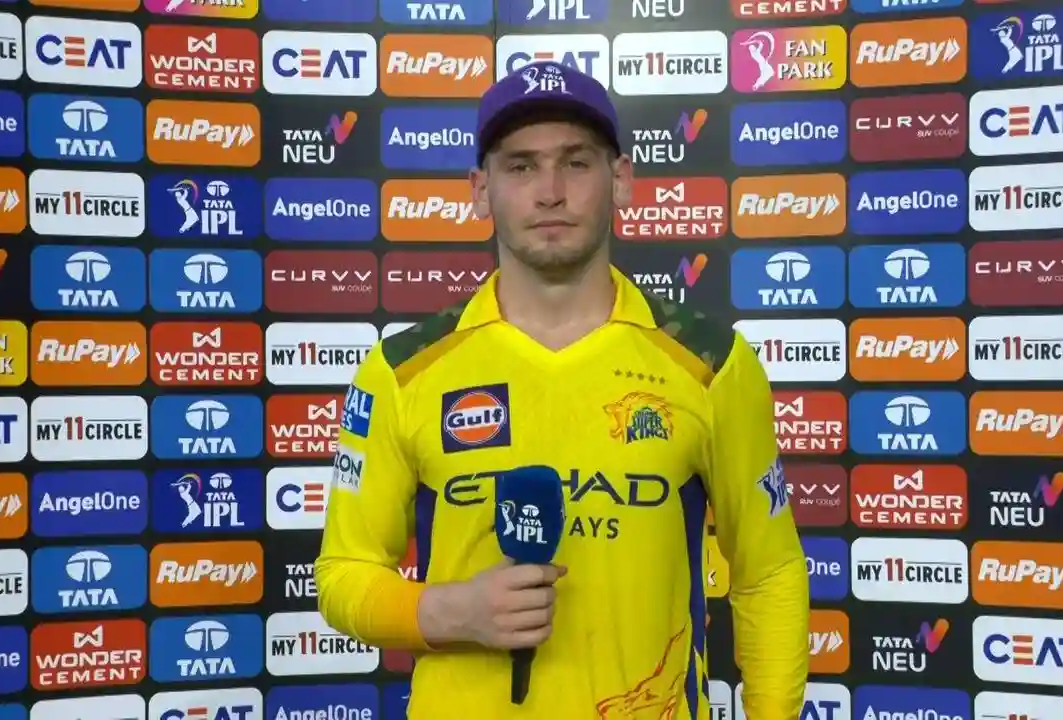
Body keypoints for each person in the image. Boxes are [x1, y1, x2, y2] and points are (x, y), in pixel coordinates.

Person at [315, 60, 809, 719]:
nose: (550, 192)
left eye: (575, 163)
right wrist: (449, 611)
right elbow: (342, 575)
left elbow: (769, 573)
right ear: (480, 190)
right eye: (520, 166)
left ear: (621, 179)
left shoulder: (711, 364)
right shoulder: (403, 370)